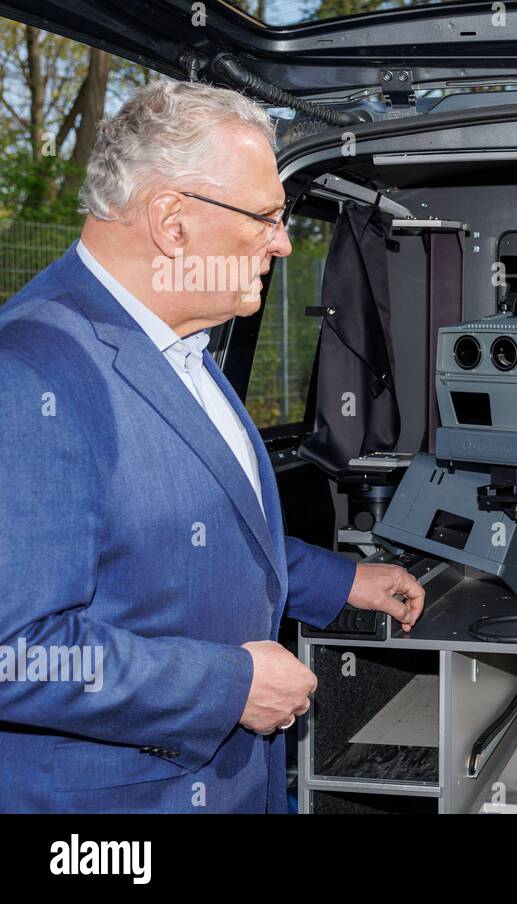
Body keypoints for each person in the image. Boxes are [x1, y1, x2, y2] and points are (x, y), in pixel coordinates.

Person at [0, 81, 426, 813]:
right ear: (172, 222)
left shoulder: (180, 343)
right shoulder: (33, 374)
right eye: (264, 216)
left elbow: (187, 530)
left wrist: (339, 582)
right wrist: (230, 686)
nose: (284, 242)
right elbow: (18, 652)